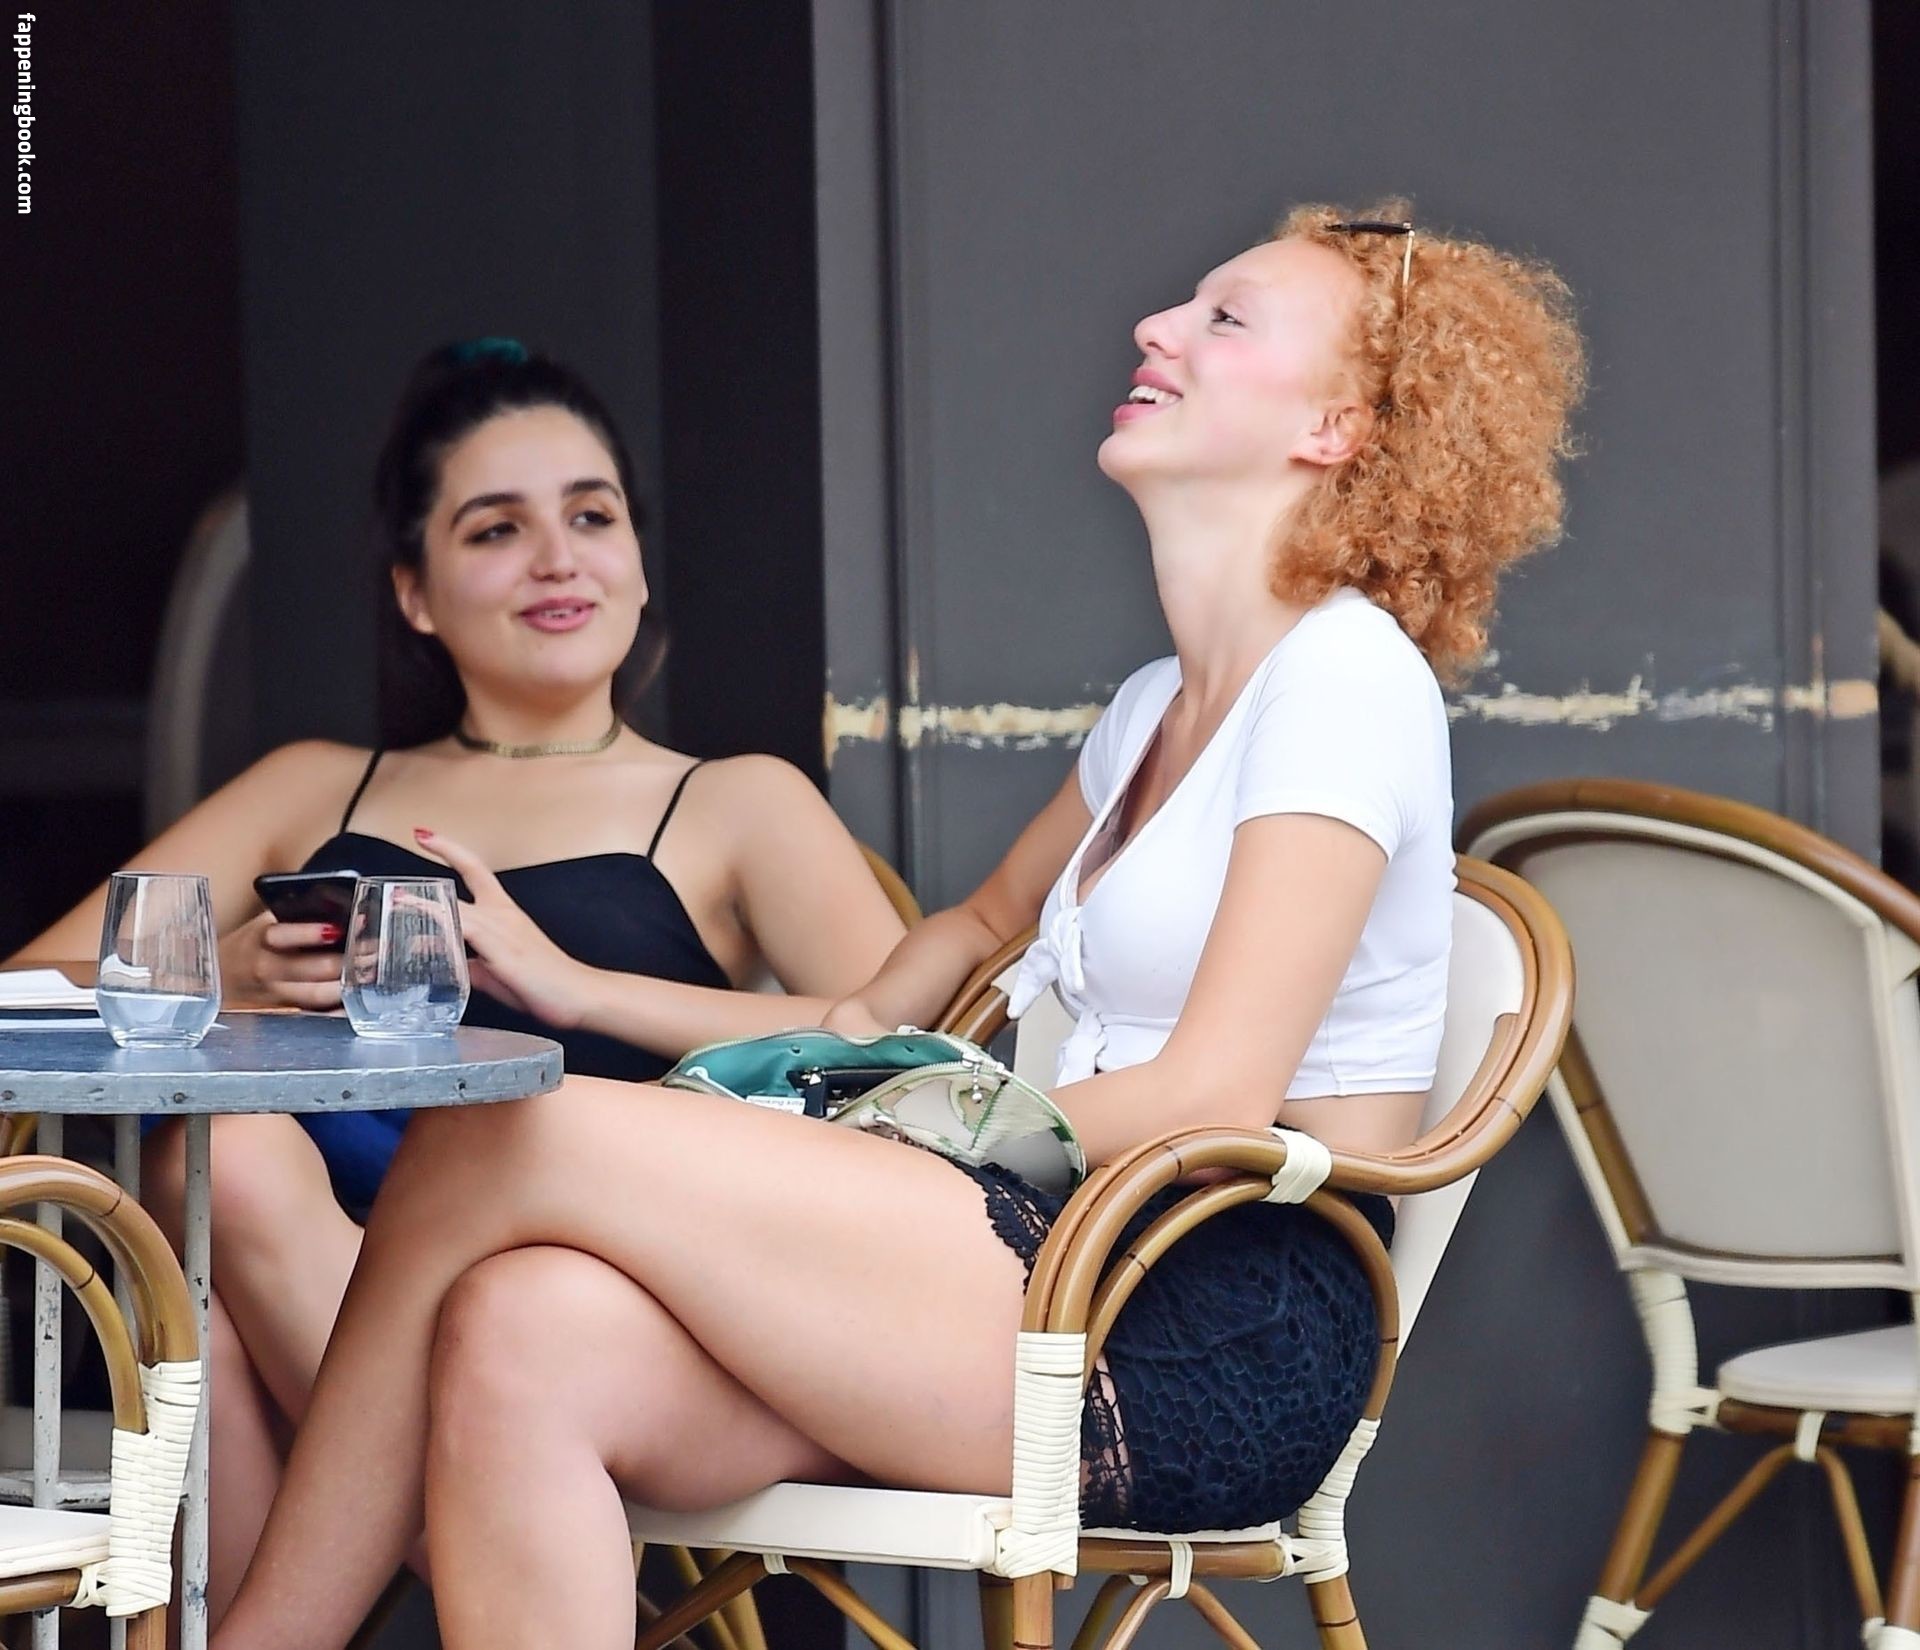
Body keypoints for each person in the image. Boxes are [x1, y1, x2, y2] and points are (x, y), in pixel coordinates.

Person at [211, 202, 1584, 1650]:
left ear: (1333, 428)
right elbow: (951, 946)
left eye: (1224, 318)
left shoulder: (1345, 679)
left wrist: (882, 1132)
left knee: (498, 1135)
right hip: (1039, 1268)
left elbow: (1216, 1092)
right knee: (521, 1326)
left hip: (1200, 1319)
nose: (1157, 327)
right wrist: (607, 991)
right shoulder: (1149, 714)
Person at [8, 340, 907, 1622]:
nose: (557, 558)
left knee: (216, 1274)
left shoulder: (735, 801)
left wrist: (578, 985)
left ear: (639, 563)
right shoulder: (320, 784)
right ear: (415, 594)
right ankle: (499, 1555)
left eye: (591, 517)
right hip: (313, 1237)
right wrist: (227, 972)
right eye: (496, 529)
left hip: (587, 1270)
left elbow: (910, 1051)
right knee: (225, 1177)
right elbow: (29, 982)